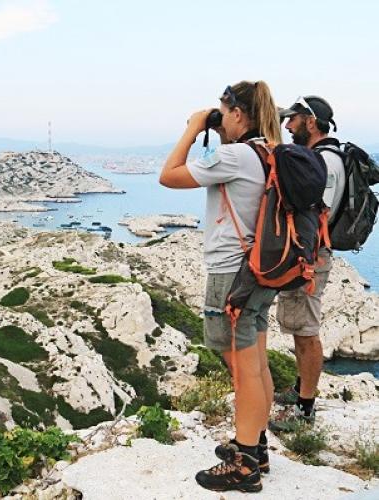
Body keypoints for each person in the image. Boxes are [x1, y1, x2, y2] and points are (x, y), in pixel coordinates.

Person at [160, 80, 281, 493]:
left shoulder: (235, 155)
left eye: (223, 112)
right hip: (261, 273)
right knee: (257, 363)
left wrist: (194, 128)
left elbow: (168, 175)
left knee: (242, 370)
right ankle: (257, 446)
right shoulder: (268, 151)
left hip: (232, 273)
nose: (220, 118)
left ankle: (245, 464)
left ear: (238, 114)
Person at [271, 96, 345, 431]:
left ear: (310, 122)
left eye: (293, 120)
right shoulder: (324, 157)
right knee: (301, 329)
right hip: (311, 255)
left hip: (312, 258)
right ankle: (301, 390)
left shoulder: (324, 162)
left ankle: (305, 409)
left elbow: (315, 211)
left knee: (306, 332)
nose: (288, 126)